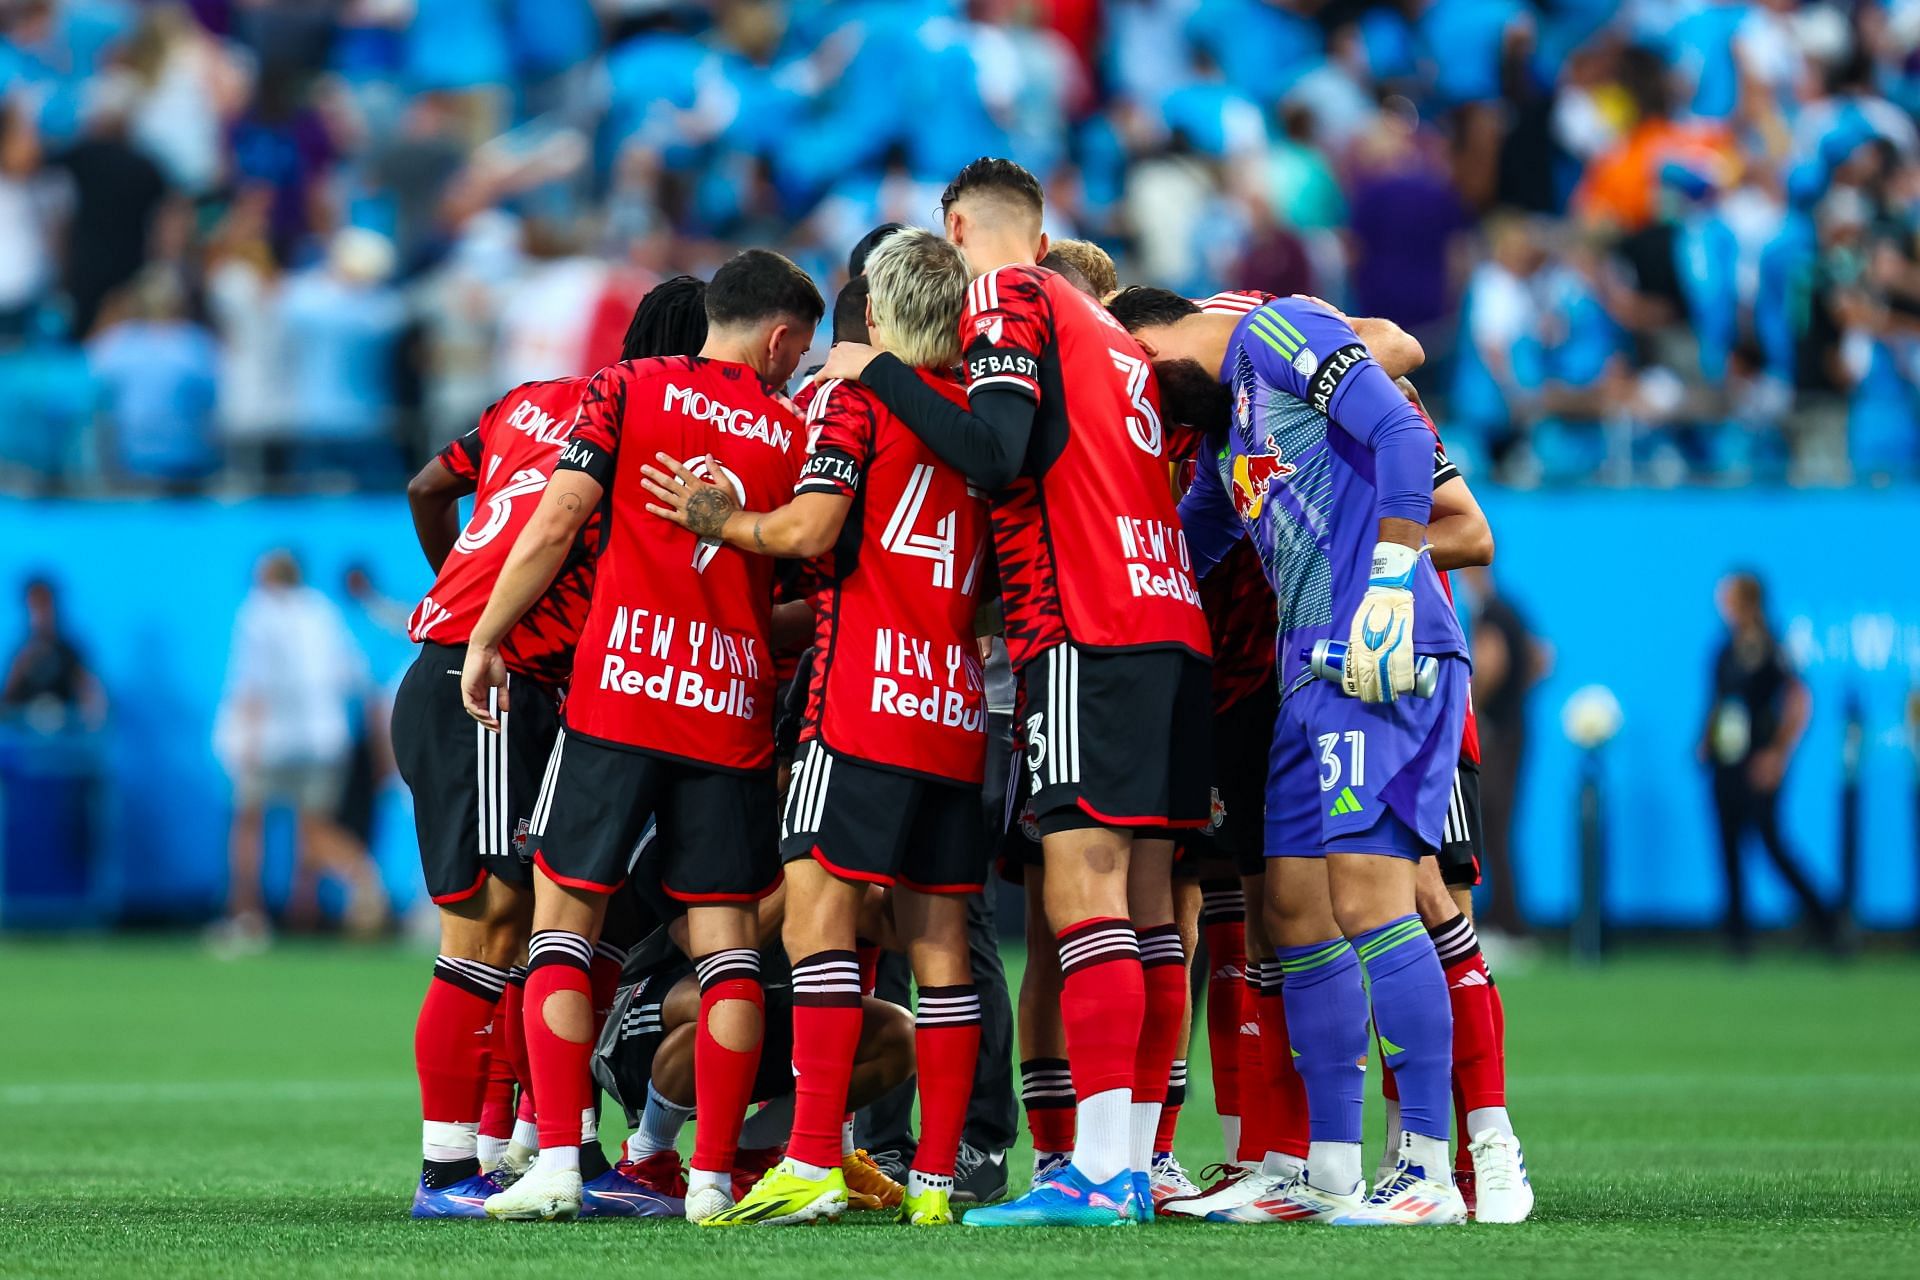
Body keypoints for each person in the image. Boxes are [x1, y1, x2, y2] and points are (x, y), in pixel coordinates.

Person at [813, 157, 1213, 1228]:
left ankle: (1098, 1172)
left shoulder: (1008, 295)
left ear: (957, 230)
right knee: (1147, 912)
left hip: (1088, 626)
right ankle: (1129, 1163)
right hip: (1170, 621)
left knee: (1083, 902)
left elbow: (994, 450)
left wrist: (877, 369)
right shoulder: (1114, 337)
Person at [462, 248, 822, 1224]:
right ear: (782, 335)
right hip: (732, 712)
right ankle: (708, 1177)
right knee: (728, 944)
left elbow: (557, 520)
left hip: (619, 690)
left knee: (561, 924)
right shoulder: (794, 432)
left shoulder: (625, 388)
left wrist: (489, 634)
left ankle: (560, 1164)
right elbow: (812, 588)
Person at [642, 229, 990, 1228]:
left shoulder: (852, 395)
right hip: (955, 707)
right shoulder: (981, 416)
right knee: (939, 946)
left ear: (874, 316)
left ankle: (808, 1159)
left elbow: (808, 530)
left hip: (861, 696)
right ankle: (933, 1181)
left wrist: (722, 522)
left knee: (817, 923)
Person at [1118, 287, 1473, 1227]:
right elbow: (1188, 544)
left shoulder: (1279, 332)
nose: (1147, 407)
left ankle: (1428, 1171)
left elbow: (1399, 435)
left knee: (1368, 895)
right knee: (1294, 910)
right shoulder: (1224, 436)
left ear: (1150, 335)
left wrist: (1394, 579)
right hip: (1307, 673)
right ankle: (1327, 1170)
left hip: (1380, 654)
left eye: (1141, 380)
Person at [211, 551, 385, 950]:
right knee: (313, 829)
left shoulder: (257, 612)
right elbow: (356, 680)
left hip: (272, 737)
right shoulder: (323, 613)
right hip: (325, 740)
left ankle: (246, 917)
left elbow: (251, 682)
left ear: (268, 578)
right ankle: (305, 914)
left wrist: (245, 743)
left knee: (248, 824)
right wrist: (376, 748)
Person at [1701, 572, 1838, 956]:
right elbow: (1718, 703)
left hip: (1759, 761)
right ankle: (1737, 937)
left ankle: (1827, 920)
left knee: (1772, 845)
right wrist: (1705, 742)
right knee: (1727, 848)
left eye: (1728, 597)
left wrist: (1778, 753)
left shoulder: (1774, 649)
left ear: (1747, 601)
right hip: (1725, 761)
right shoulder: (1723, 649)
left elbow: (1799, 702)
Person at [1460, 563, 1545, 937]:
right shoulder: (1509, 608)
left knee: (1492, 824)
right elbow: (1541, 657)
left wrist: (1470, 709)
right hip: (1513, 729)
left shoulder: (1489, 612)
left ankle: (1508, 926)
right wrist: (1516, 700)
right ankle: (1503, 918)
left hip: (1497, 735)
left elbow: (1492, 664)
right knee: (1498, 826)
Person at [2, 576, 104, 727]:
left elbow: (89, 695)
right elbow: (7, 701)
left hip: (65, 739)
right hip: (27, 739)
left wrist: (91, 702)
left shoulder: (69, 653)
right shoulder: (21, 654)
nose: (40, 613)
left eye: (44, 604)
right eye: (34, 606)